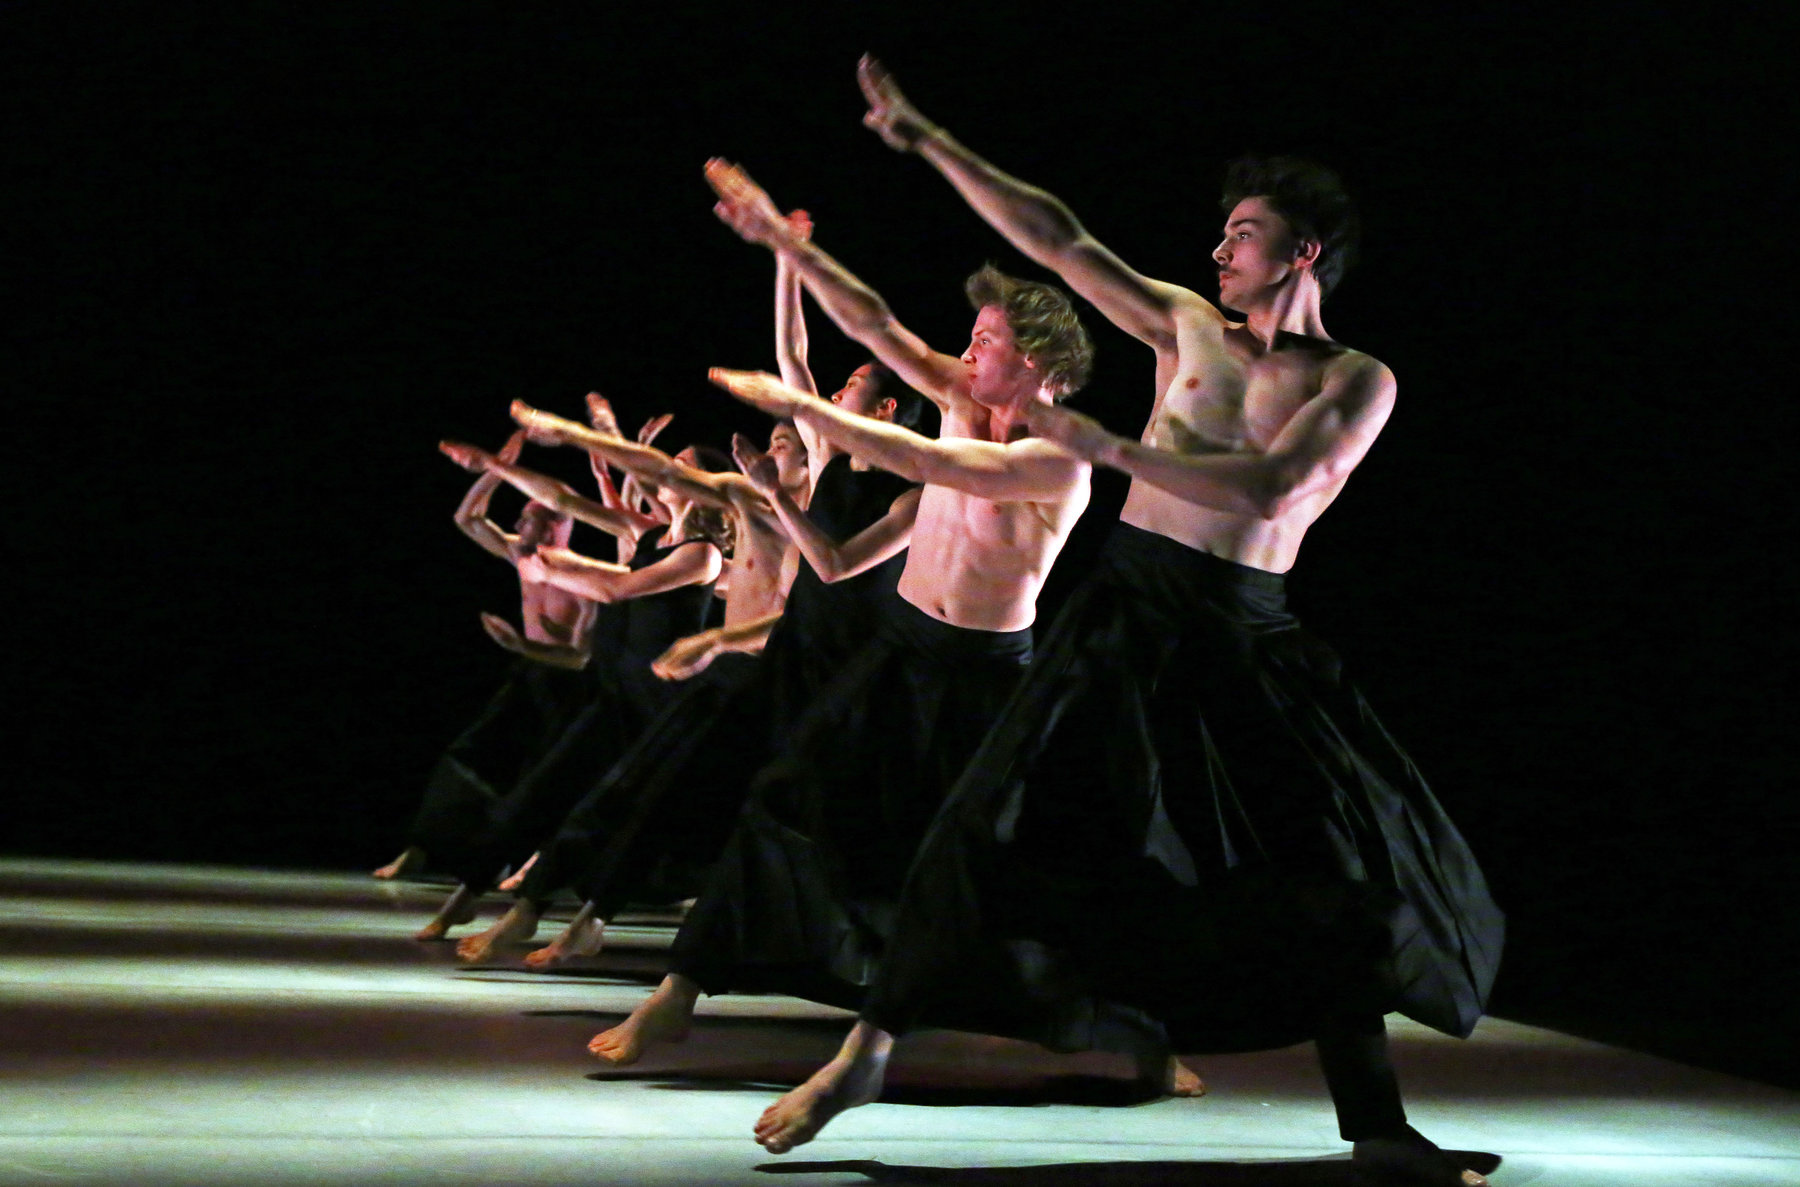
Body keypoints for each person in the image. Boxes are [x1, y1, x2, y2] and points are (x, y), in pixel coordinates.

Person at [746, 61, 1505, 1185]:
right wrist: (927, 136)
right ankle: (868, 1049)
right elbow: (1060, 240)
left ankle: (1378, 1124)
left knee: (1335, 870)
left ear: (1301, 251)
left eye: (1243, 233)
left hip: (1246, 629)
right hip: (1129, 610)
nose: (1218, 249)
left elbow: (1268, 490)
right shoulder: (1186, 325)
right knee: (982, 820)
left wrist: (1118, 452)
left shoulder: (1358, 378)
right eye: (1222, 231)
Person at [581, 158, 1096, 1083]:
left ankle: (1125, 1028)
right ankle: (680, 988)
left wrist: (801, 407)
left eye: (987, 341)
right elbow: (873, 322)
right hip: (899, 649)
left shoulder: (1061, 458)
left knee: (997, 862)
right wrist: (786, 244)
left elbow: (923, 459)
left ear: (1041, 364)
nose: (968, 352)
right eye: (971, 338)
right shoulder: (955, 398)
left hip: (985, 674)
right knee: (783, 791)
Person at [447, 408, 813, 964]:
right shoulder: (741, 507)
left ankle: (604, 921)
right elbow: (654, 478)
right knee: (621, 798)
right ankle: (549, 911)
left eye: (783, 444)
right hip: (707, 681)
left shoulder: (794, 527)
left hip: (755, 686)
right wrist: (569, 441)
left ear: (812, 460)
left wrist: (715, 639)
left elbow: (794, 616)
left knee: (693, 812)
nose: (766, 451)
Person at [414, 429, 725, 941]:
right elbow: (563, 500)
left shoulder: (703, 556)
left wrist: (552, 571)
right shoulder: (646, 533)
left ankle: (556, 915)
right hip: (612, 693)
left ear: (703, 486)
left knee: (608, 813)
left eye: (681, 461)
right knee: (540, 790)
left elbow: (617, 587)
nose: (668, 467)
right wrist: (493, 460)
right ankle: (465, 897)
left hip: (655, 706)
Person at [372, 430, 596, 882]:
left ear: (556, 524)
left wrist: (521, 645)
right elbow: (468, 518)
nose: (517, 523)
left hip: (565, 685)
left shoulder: (585, 579)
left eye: (527, 516)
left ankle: (521, 863)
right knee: (469, 754)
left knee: (542, 775)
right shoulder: (521, 558)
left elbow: (581, 658)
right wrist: (495, 468)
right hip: (527, 671)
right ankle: (423, 846)